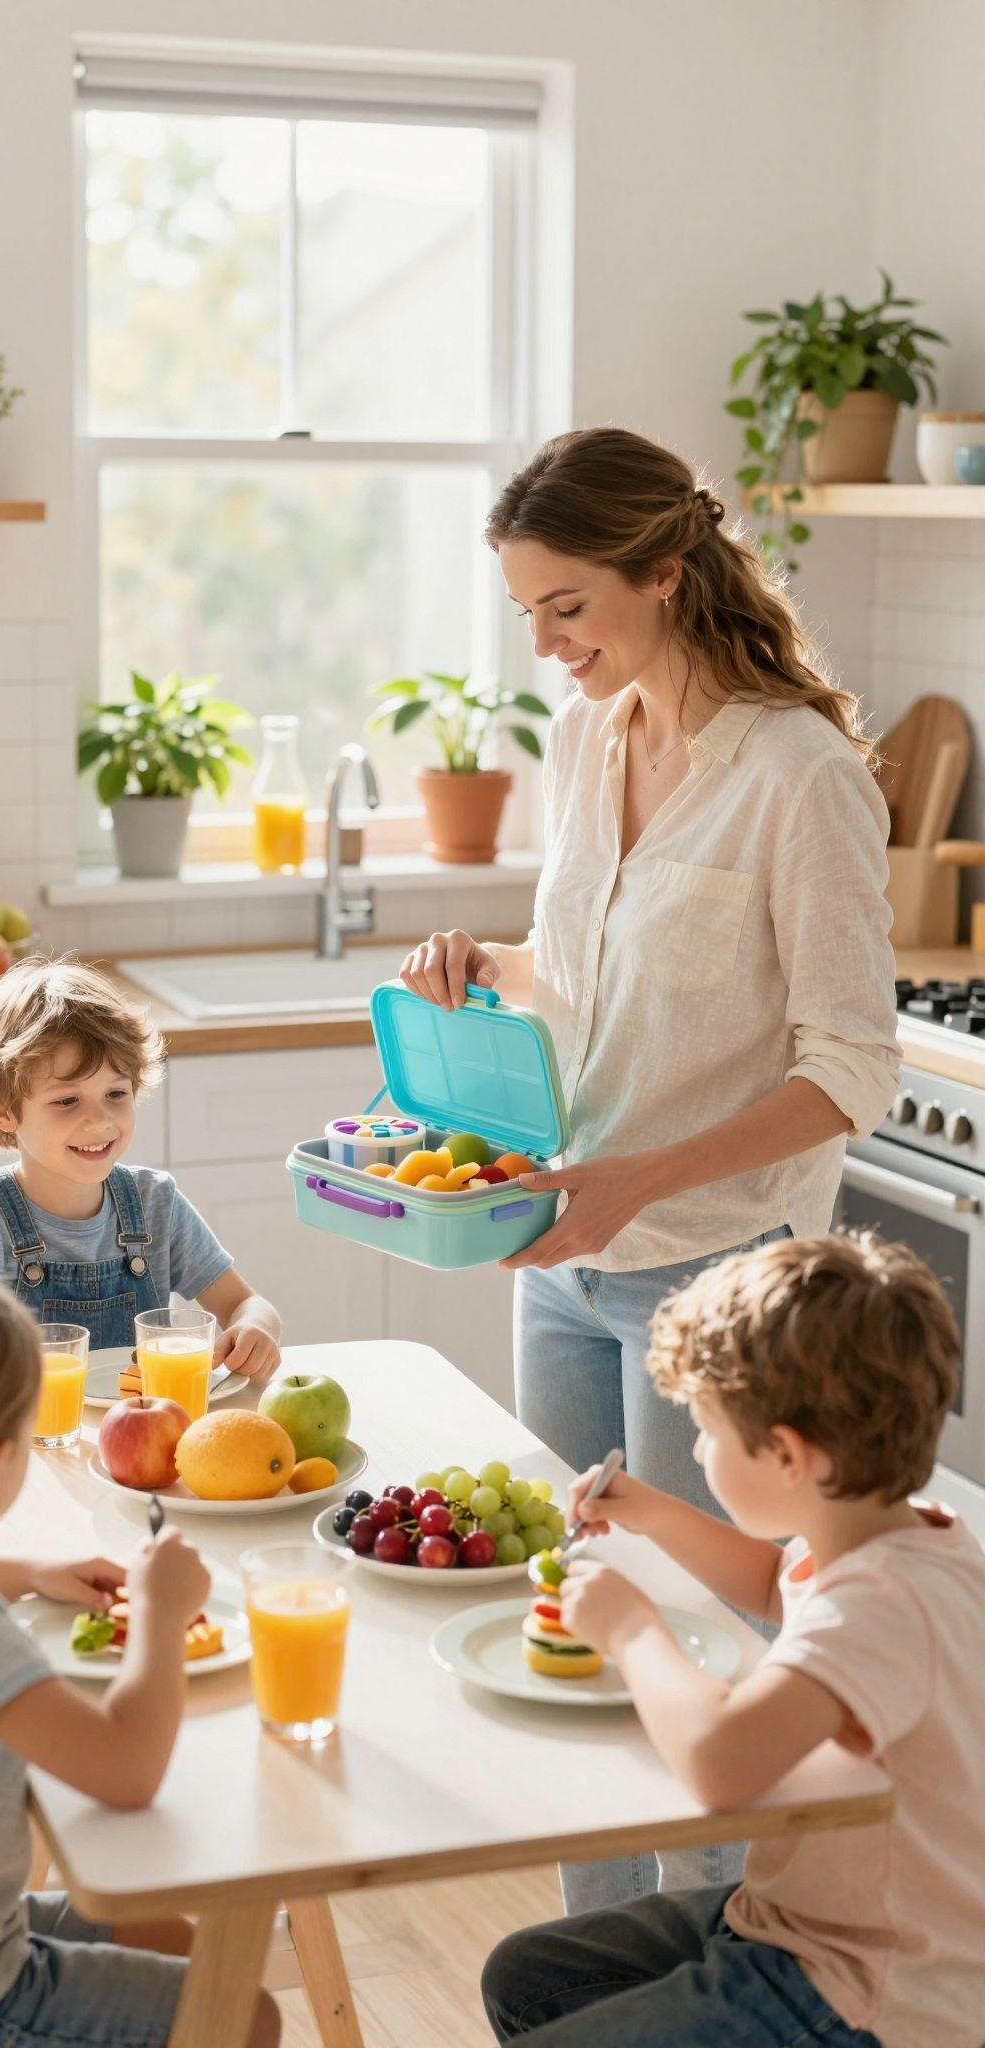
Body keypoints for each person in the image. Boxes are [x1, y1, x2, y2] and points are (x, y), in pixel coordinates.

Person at [400, 426, 900, 1907]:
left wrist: (644, 1177)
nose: (547, 645)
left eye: (567, 606)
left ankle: (714, 1979)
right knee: (579, 1623)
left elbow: (849, 1068)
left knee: (701, 1650)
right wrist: (481, 962)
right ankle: (596, 1989)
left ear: (663, 574)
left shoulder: (799, 776)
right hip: (563, 1253)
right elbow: (587, 968)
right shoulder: (585, 739)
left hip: (715, 1279)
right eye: (528, 614)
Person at [482, 1232, 985, 2048]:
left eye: (707, 1431)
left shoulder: (887, 1604)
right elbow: (770, 1584)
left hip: (861, 1990)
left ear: (786, 1455)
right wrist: (653, 1513)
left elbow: (719, 1761)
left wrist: (634, 1629)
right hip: (799, 1918)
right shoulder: (897, 1540)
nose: (694, 1450)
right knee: (531, 1977)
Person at [0, 1269, 280, 2048]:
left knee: (179, 1942)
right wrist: (164, 1617)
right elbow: (127, 1772)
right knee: (242, 2015)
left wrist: (33, 1575)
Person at [0, 956, 281, 1379]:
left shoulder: (155, 1204)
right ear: (2, 1112)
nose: (99, 1121)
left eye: (115, 1093)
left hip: (151, 1426)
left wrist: (255, 1326)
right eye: (66, 1100)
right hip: (34, 1437)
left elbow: (245, 1302)